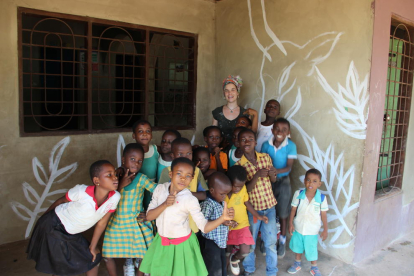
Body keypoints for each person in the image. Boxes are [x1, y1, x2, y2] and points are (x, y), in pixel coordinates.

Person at [139, 158, 235, 276]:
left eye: (188, 176)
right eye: (179, 173)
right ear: (170, 174)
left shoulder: (190, 199)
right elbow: (149, 216)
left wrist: (222, 219)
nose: (183, 178)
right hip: (162, 242)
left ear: (192, 178)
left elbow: (204, 227)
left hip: (182, 246)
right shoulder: (160, 190)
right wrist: (165, 204)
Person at [26, 160, 121, 276]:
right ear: (96, 181)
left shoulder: (115, 197)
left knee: (92, 258)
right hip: (54, 225)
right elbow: (61, 201)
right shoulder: (82, 191)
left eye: (115, 174)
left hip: (71, 232)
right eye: (109, 175)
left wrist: (93, 246)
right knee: (59, 267)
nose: (115, 178)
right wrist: (44, 218)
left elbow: (102, 223)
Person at [103, 144, 157, 276]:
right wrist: (120, 184)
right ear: (123, 160)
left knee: (145, 254)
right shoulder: (115, 177)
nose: (136, 163)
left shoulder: (142, 179)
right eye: (132, 159)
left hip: (135, 223)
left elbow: (159, 192)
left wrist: (151, 212)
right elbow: (104, 196)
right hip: (116, 223)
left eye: (140, 161)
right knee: (107, 254)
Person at [234, 128, 278, 276]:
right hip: (252, 209)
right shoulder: (239, 166)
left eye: (250, 139)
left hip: (270, 207)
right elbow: (244, 190)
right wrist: (257, 175)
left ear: (255, 142)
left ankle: (272, 271)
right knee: (250, 243)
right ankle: (249, 269)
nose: (247, 142)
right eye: (243, 140)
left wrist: (272, 175)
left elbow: (273, 180)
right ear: (238, 143)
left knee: (271, 243)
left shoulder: (265, 158)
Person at [261, 117, 297, 258]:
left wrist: (274, 171)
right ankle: (265, 239)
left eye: (284, 130)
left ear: (288, 132)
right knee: (267, 211)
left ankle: (282, 240)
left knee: (282, 212)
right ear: (272, 130)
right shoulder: (266, 145)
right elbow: (263, 161)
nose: (280, 132)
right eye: (277, 129)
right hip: (267, 181)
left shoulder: (291, 145)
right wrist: (270, 173)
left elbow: (288, 166)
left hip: (283, 181)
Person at [158, 138, 209, 233]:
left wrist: (185, 194)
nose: (185, 157)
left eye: (189, 153)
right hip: (172, 221)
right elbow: (160, 194)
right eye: (180, 154)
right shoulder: (167, 172)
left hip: (192, 220)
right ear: (172, 156)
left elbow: (204, 195)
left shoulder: (196, 171)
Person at [225, 165, 269, 276]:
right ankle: (224, 270)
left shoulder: (242, 188)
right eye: (235, 186)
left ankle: (234, 259)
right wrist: (228, 222)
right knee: (226, 252)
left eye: (241, 186)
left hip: (242, 225)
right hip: (227, 227)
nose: (238, 189)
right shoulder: (223, 192)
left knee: (245, 251)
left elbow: (247, 203)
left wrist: (258, 216)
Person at [287, 169, 328, 276]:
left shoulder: (322, 198)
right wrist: (290, 223)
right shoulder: (298, 194)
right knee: (298, 246)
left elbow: (323, 215)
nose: (311, 183)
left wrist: (325, 230)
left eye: (315, 181)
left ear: (320, 184)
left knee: (311, 249)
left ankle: (314, 267)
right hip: (298, 228)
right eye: (308, 180)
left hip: (312, 230)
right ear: (304, 181)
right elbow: (293, 209)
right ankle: (297, 263)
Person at [198, 172, 233, 276]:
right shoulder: (207, 204)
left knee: (221, 268)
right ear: (212, 191)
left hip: (220, 242)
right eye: (222, 194)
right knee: (214, 269)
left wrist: (227, 222)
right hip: (210, 243)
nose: (224, 196)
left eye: (226, 194)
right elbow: (203, 224)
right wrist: (222, 220)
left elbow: (221, 221)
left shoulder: (221, 203)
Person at [212, 75, 258, 147]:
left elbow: (252, 134)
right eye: (226, 90)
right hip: (221, 153)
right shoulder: (217, 112)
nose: (230, 93)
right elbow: (213, 134)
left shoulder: (245, 113)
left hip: (240, 153)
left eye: (233, 90)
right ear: (224, 93)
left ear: (238, 92)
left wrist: (255, 115)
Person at [132, 120, 159, 210]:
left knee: (150, 207)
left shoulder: (155, 149)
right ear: (133, 135)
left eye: (148, 131)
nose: (144, 134)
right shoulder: (131, 151)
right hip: (137, 186)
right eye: (140, 131)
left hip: (152, 187)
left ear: (151, 135)